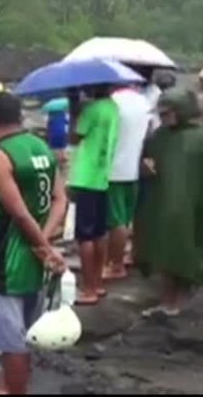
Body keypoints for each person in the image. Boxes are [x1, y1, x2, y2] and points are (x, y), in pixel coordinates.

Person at [0, 91, 67, 395]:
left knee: (10, 339)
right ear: (19, 117)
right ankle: (9, 384)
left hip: (6, 259)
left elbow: (19, 213)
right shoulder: (40, 146)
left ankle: (16, 390)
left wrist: (43, 247)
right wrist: (47, 243)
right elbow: (59, 199)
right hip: (35, 257)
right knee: (25, 329)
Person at [135, 88, 202, 317]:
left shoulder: (199, 138)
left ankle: (180, 302)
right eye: (161, 113)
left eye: (168, 112)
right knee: (164, 251)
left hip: (192, 204)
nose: (164, 117)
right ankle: (168, 302)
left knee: (185, 251)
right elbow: (147, 161)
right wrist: (145, 167)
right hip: (162, 201)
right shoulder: (159, 136)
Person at [68, 85, 120, 305]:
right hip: (102, 176)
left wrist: (74, 110)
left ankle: (88, 288)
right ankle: (97, 283)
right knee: (100, 232)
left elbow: (74, 137)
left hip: (85, 176)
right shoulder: (113, 107)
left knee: (85, 236)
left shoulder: (91, 109)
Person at [103, 83, 151, 280]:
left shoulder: (112, 103)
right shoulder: (144, 102)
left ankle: (116, 265)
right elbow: (149, 135)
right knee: (125, 219)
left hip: (113, 170)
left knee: (116, 222)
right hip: (133, 169)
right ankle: (119, 259)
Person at [41, 98, 70, 168]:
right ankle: (63, 158)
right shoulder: (62, 115)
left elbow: (48, 126)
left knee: (54, 147)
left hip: (53, 134)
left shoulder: (50, 117)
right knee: (62, 146)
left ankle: (57, 160)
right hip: (62, 133)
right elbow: (67, 122)